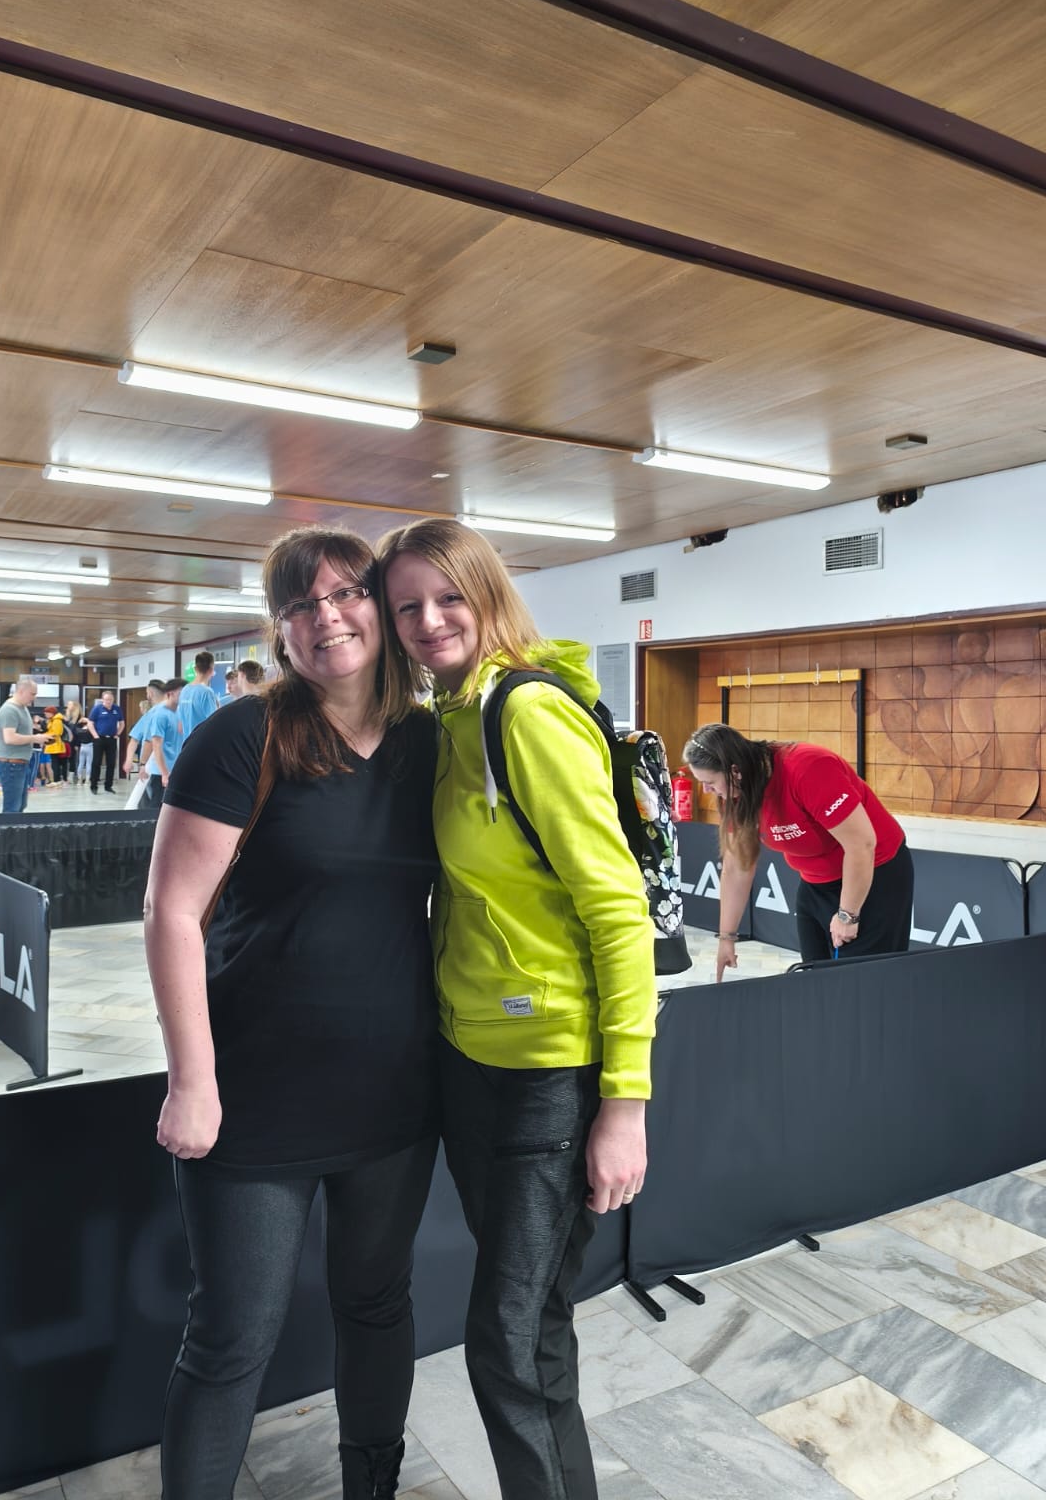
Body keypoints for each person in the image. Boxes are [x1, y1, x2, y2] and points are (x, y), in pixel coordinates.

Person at [143, 526, 438, 1500]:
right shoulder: (245, 735)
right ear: (280, 629)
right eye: (301, 605)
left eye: (347, 593)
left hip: (394, 1090)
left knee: (377, 1303)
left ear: (379, 606)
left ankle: (372, 1487)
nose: (328, 617)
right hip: (256, 1093)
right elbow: (171, 912)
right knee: (232, 1338)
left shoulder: (428, 741)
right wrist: (192, 1081)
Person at [377, 518, 655, 1500]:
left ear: (489, 593)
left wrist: (624, 1102)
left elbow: (617, 911)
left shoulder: (524, 714)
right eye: (406, 606)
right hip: (471, 1062)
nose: (428, 620)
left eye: (448, 596)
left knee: (510, 1337)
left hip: (551, 1073)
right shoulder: (444, 720)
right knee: (527, 1329)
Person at [681, 721, 915, 976]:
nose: (706, 790)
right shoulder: (735, 793)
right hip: (816, 884)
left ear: (735, 771)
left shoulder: (808, 768)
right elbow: (737, 866)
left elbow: (861, 844)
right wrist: (727, 938)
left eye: (709, 782)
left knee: (863, 981)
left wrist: (848, 915)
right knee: (814, 978)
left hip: (874, 875)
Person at [0, 677, 39, 813]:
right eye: (32, 694)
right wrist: (35, 738)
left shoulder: (22, 709)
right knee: (12, 808)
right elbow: (10, 738)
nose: (34, 698)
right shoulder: (9, 710)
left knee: (20, 806)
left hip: (20, 764)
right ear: (21, 691)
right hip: (11, 765)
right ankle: (7, 827)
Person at [139, 680, 184, 813]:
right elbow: (156, 744)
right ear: (170, 693)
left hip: (177, 769)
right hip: (161, 772)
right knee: (156, 808)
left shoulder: (181, 712)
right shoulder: (159, 713)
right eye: (181, 693)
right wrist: (164, 773)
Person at [176, 649, 219, 742]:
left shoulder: (184, 690)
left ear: (195, 669)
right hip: (202, 745)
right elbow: (215, 724)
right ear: (211, 670)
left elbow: (180, 727)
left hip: (186, 746)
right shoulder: (207, 693)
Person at [86, 689, 124, 794]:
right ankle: (94, 786)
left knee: (111, 763)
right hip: (99, 738)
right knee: (96, 762)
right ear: (103, 700)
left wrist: (117, 734)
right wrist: (95, 736)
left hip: (111, 739)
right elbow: (90, 723)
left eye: (110, 699)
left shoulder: (117, 709)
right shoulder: (97, 709)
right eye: (106, 699)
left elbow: (122, 723)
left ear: (113, 699)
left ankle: (108, 786)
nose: (108, 701)